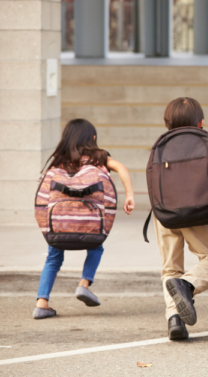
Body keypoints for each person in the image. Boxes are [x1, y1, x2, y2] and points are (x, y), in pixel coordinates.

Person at [153, 97, 208, 340]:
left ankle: (174, 319)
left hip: (164, 213)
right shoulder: (205, 141)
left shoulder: (161, 144)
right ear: (201, 122)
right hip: (197, 212)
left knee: (170, 268)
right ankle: (187, 286)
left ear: (167, 122)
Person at [33, 119, 135, 319]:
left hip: (60, 223)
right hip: (90, 223)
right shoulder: (99, 158)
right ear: (93, 138)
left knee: (53, 258)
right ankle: (84, 284)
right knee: (96, 246)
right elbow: (121, 168)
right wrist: (130, 195)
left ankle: (41, 303)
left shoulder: (57, 161)